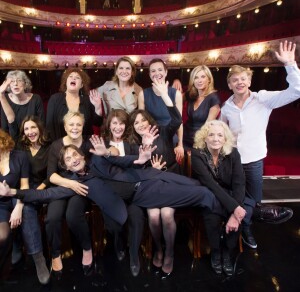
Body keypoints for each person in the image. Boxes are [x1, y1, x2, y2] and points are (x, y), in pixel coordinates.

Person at [0, 138, 246, 277]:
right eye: (68, 160)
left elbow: (122, 159)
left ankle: (233, 215)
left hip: (151, 174)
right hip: (146, 193)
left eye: (75, 155)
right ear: (66, 167)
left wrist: (136, 158)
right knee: (202, 193)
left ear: (82, 155)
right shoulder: (77, 184)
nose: (74, 159)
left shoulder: (98, 158)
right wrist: (13, 192)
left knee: (197, 184)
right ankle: (238, 217)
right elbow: (47, 193)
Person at [220, 40, 297, 249]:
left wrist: (290, 64)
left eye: (243, 79)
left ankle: (245, 229)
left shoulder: (263, 99)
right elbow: (221, 135)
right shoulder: (226, 108)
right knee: (237, 199)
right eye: (234, 80)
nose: (239, 82)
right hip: (233, 161)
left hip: (254, 160)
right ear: (229, 84)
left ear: (249, 80)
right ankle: (241, 227)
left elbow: (296, 91)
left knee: (254, 199)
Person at [129, 79, 182, 278]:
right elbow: (134, 171)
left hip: (170, 179)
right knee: (153, 216)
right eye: (136, 122)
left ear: (149, 121)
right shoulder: (133, 144)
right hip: (149, 184)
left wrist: (166, 96)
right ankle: (158, 248)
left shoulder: (164, 132)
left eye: (143, 121)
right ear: (133, 127)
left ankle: (169, 253)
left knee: (167, 216)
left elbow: (176, 120)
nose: (140, 124)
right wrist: (151, 169)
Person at [192, 120, 246, 276]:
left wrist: (235, 212)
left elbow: (239, 183)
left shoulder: (233, 153)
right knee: (212, 217)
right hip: (209, 194)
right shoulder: (197, 154)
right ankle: (215, 251)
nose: (216, 139)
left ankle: (227, 253)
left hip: (230, 194)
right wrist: (235, 208)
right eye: (211, 135)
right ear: (205, 138)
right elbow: (210, 184)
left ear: (225, 138)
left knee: (238, 218)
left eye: (220, 135)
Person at [46, 111, 94, 277]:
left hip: (81, 188)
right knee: (52, 217)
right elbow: (51, 175)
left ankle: (87, 248)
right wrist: (70, 183)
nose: (75, 128)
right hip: (62, 186)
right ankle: (55, 254)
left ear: (83, 126)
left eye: (78, 124)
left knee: (73, 216)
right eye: (71, 125)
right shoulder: (56, 145)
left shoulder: (88, 144)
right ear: (65, 127)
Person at [0, 129, 49, 284]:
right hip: (0, 204)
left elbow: (25, 187)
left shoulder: (19, 156)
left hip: (18, 197)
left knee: (27, 209)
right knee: (2, 236)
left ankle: (38, 258)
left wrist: (18, 207)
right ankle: (14, 247)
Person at [104, 109, 145, 276]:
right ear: (109, 125)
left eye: (121, 123)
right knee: (114, 224)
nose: (118, 127)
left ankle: (134, 256)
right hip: (112, 195)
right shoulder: (102, 144)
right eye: (114, 123)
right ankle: (119, 243)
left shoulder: (132, 144)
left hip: (133, 193)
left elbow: (139, 166)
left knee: (137, 217)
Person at [138, 58, 184, 162]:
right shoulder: (143, 94)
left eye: (160, 70)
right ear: (149, 75)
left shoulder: (176, 94)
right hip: (152, 136)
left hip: (170, 135)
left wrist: (180, 144)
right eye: (153, 71)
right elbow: (141, 122)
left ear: (166, 72)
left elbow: (179, 122)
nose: (157, 73)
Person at [46, 68, 103, 141]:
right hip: (60, 146)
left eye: (77, 77)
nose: (73, 78)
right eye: (70, 76)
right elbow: (49, 126)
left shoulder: (87, 100)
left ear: (81, 85)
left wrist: (98, 107)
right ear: (66, 82)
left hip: (84, 146)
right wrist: (55, 147)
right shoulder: (55, 99)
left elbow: (97, 123)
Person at [0, 70, 44, 141]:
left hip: (33, 139)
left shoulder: (36, 98)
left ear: (25, 83)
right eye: (12, 81)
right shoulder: (5, 99)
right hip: (13, 141)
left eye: (19, 80)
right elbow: (4, 128)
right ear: (8, 85)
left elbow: (41, 124)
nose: (15, 84)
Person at [183, 65, 220, 149]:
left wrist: (198, 145)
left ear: (209, 80)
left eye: (203, 77)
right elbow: (175, 99)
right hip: (185, 137)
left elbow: (208, 126)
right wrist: (176, 80)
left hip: (201, 141)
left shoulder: (213, 97)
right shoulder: (191, 94)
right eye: (196, 77)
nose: (199, 81)